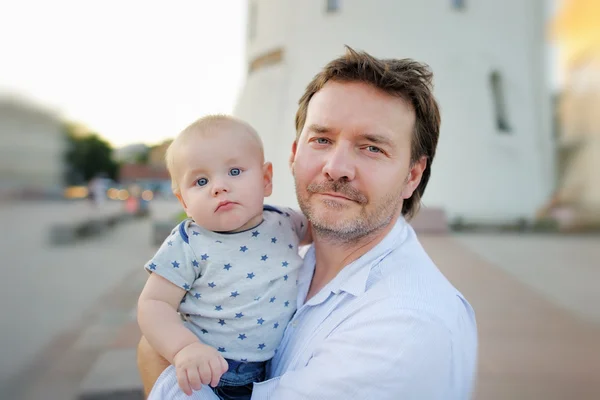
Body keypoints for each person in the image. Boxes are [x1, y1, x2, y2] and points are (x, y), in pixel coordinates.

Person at [138, 46, 478, 399]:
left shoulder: (406, 330)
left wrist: (155, 362)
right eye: (322, 139)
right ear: (293, 154)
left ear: (413, 175)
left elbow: (156, 352)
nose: (337, 167)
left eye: (372, 147)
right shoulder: (297, 247)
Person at [137, 115, 311, 399]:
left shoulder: (286, 222)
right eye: (201, 180)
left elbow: (327, 236)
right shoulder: (188, 243)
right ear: (184, 202)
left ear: (266, 179)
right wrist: (183, 348)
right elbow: (154, 303)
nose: (219, 187)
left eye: (234, 171)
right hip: (205, 372)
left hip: (273, 370)